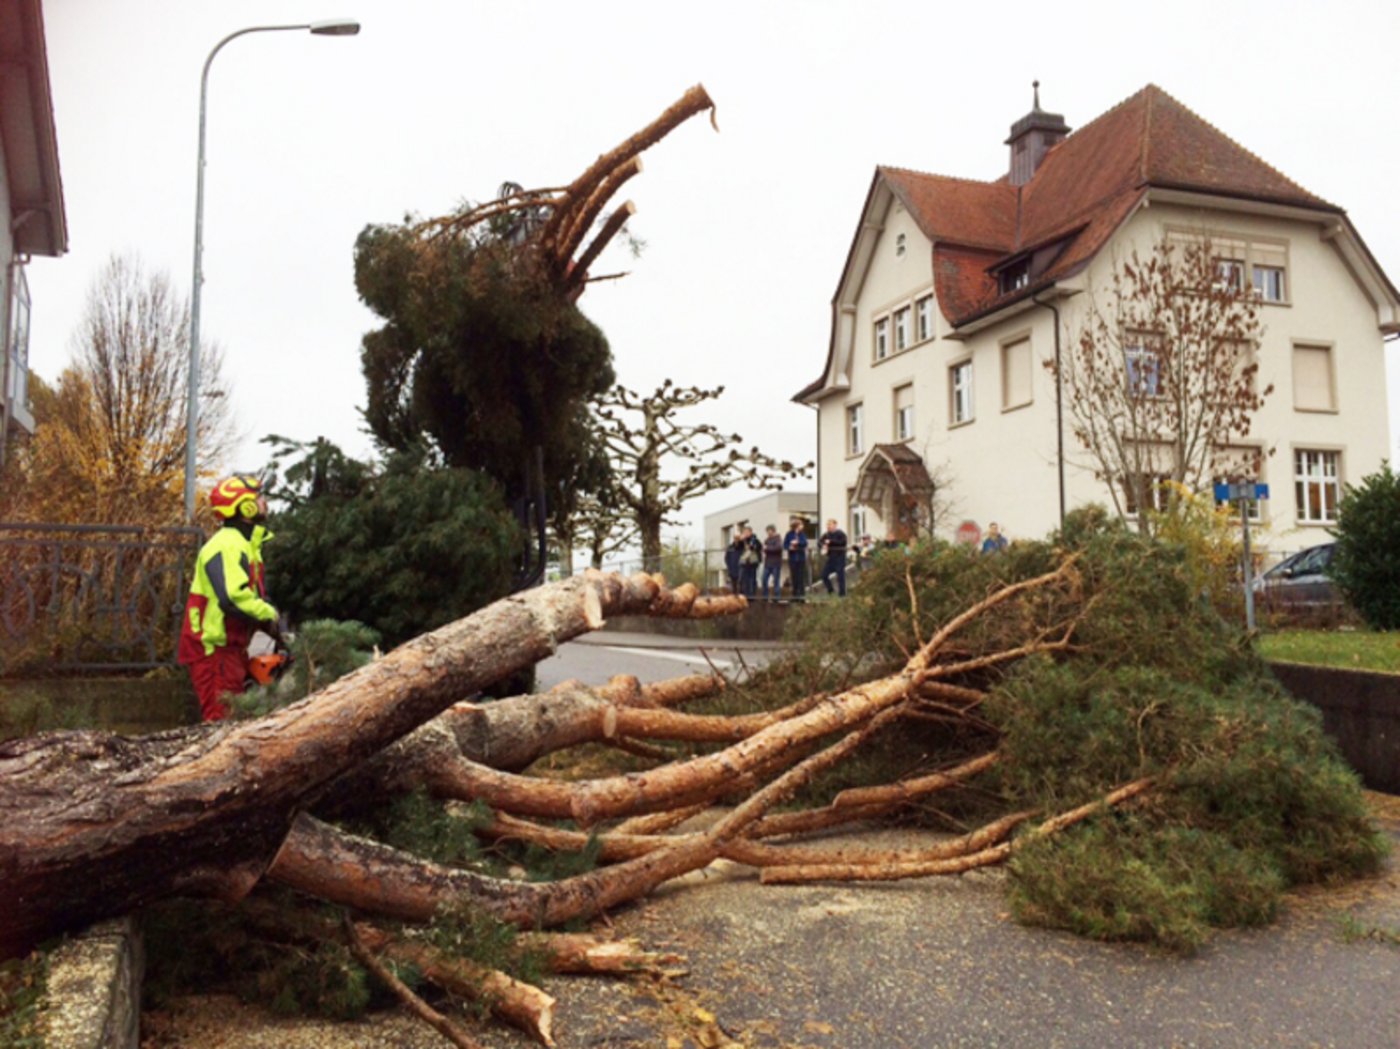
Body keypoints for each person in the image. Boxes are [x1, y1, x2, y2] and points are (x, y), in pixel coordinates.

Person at [178, 474, 281, 721]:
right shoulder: (226, 545)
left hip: (229, 647)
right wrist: (270, 614)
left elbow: (250, 599)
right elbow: (232, 599)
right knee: (221, 720)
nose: (264, 502)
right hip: (214, 648)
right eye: (258, 497)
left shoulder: (245, 545)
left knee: (234, 717)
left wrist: (273, 629)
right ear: (245, 507)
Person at [818, 518, 849, 596]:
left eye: (830, 524)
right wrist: (823, 545)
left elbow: (843, 542)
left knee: (840, 577)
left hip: (839, 557)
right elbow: (819, 542)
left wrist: (831, 542)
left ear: (835, 525)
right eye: (827, 525)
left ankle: (842, 594)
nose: (828, 526)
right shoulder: (826, 534)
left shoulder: (840, 533)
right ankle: (830, 590)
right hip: (831, 558)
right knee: (824, 575)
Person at [783, 518, 809, 600]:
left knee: (801, 577)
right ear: (797, 526)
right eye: (800, 525)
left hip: (801, 558)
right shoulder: (789, 534)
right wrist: (789, 547)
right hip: (793, 558)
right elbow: (785, 544)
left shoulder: (802, 534)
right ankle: (794, 595)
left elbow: (805, 543)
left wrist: (798, 543)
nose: (802, 526)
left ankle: (801, 595)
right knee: (794, 577)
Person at [761, 524, 784, 600]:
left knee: (776, 581)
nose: (768, 533)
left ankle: (777, 597)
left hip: (776, 563)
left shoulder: (778, 539)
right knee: (764, 579)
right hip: (767, 563)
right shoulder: (767, 540)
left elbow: (778, 548)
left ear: (773, 531)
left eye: (769, 531)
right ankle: (765, 596)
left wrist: (767, 548)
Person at [738, 525, 762, 598]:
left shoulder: (755, 540)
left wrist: (750, 546)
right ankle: (743, 594)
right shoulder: (742, 541)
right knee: (742, 578)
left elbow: (757, 547)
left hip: (752, 562)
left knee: (752, 579)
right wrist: (739, 540)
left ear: (750, 532)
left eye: (747, 532)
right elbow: (737, 547)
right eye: (744, 532)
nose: (745, 533)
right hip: (744, 562)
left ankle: (751, 595)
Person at [724, 529, 744, 594]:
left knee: (741, 583)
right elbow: (726, 558)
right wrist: (729, 566)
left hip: (740, 567)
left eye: (738, 538)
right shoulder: (730, 547)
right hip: (732, 568)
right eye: (735, 538)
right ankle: (734, 597)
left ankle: (741, 596)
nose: (736, 539)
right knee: (734, 585)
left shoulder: (742, 546)